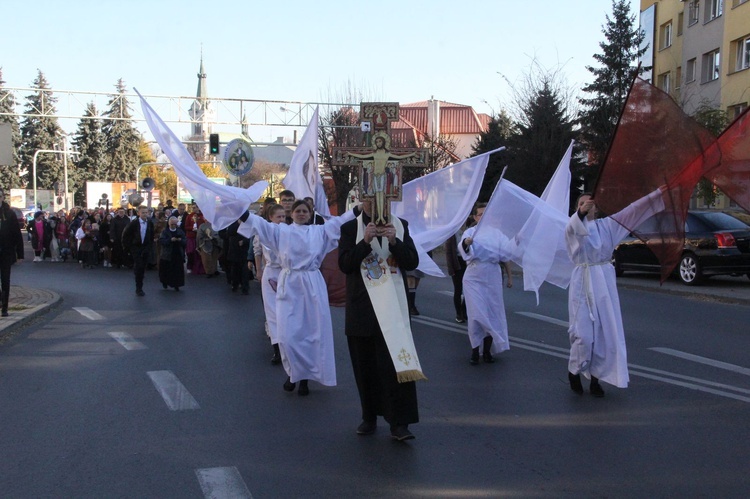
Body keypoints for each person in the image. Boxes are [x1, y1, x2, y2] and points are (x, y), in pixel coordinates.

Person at [242, 200, 357, 396]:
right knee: (288, 334)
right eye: (298, 211)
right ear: (291, 214)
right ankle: (293, 371)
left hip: (312, 283)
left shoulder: (318, 232)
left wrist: (359, 208)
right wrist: (238, 210)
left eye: (305, 211)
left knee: (311, 333)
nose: (301, 214)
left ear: (310, 213)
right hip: (289, 284)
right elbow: (257, 223)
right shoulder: (281, 232)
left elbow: (340, 222)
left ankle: (304, 378)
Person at [566, 189, 665, 397]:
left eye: (590, 203)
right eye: (582, 204)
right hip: (582, 282)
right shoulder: (572, 225)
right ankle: (574, 369)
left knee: (604, 334)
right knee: (584, 335)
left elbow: (633, 211)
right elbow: (573, 234)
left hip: (604, 282)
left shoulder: (607, 226)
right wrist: (581, 215)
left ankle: (596, 379)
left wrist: (657, 194)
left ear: (597, 208)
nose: (586, 206)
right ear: (577, 208)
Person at [338, 199, 423, 441]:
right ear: (362, 202)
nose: (375, 205)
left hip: (393, 308)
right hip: (362, 308)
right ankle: (369, 417)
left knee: (396, 365)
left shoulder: (400, 225)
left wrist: (395, 242)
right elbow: (345, 264)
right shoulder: (349, 229)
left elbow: (412, 262)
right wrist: (364, 242)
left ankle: (400, 423)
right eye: (370, 201)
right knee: (365, 367)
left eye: (381, 201)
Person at [459, 203, 514, 365]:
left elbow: (506, 254)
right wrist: (466, 244)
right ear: (475, 217)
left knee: (493, 312)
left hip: (492, 275)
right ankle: (475, 349)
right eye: (479, 214)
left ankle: (488, 351)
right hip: (474, 275)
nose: (482, 217)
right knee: (476, 314)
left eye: (485, 214)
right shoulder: (470, 232)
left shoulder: (497, 234)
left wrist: (517, 241)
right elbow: (463, 248)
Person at [254, 204, 286, 364]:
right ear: (271, 217)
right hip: (270, 272)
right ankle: (277, 349)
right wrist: (259, 270)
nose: (281, 220)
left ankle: (288, 346)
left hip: (286, 274)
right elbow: (257, 251)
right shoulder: (264, 230)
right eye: (278, 217)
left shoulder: (288, 231)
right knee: (272, 313)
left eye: (283, 217)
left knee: (286, 312)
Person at [0, 188, 24, 317]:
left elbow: (17, 234)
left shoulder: (9, 213)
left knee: (5, 280)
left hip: (5, 251)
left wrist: (20, 254)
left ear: (3, 197)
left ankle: (4, 308)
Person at [122, 206, 155, 296]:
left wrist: (149, 247)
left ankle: (139, 277)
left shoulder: (150, 223)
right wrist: (128, 247)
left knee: (142, 267)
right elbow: (126, 235)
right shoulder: (134, 223)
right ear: (138, 213)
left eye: (146, 212)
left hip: (145, 248)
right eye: (143, 212)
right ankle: (139, 288)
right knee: (139, 266)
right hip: (136, 247)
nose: (145, 214)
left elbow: (151, 236)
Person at [444, 225, 469, 323]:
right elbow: (449, 251)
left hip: (469, 262)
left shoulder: (469, 230)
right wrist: (451, 268)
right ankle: (459, 313)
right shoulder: (453, 232)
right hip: (457, 262)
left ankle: (464, 311)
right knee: (458, 289)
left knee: (469, 289)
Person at [158, 216, 186, 291]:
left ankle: (177, 284)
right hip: (167, 254)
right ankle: (165, 282)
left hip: (177, 253)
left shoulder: (180, 231)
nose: (173, 225)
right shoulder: (165, 231)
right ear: (169, 223)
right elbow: (161, 241)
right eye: (172, 224)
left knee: (177, 270)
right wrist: (170, 240)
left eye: (175, 224)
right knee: (166, 270)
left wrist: (180, 240)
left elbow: (185, 241)